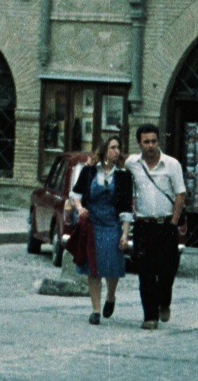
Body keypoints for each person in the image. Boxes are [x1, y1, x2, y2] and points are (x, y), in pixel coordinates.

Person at [125, 123, 186, 331]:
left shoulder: (171, 164)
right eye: (146, 142)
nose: (150, 146)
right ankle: (150, 316)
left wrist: (173, 224)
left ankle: (164, 301)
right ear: (139, 143)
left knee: (168, 271)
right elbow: (112, 164)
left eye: (153, 141)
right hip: (143, 225)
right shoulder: (133, 163)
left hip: (166, 225)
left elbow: (180, 195)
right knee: (146, 273)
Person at [69, 134, 133, 325]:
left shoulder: (123, 175)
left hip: (112, 223)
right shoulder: (89, 171)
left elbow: (126, 208)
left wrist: (124, 233)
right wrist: (80, 208)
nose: (116, 152)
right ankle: (96, 310)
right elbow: (75, 194)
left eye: (118, 148)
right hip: (92, 224)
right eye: (113, 147)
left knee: (112, 266)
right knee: (92, 267)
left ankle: (111, 296)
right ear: (104, 150)